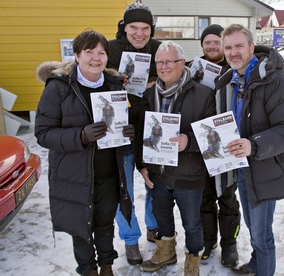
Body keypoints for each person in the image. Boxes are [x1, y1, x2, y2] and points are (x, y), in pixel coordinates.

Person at [34, 30, 134, 276]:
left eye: (101, 52)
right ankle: (88, 270)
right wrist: (80, 136)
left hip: (109, 173)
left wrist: (127, 130)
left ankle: (107, 266)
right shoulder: (59, 87)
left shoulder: (114, 84)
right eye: (89, 52)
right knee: (81, 226)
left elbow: (119, 124)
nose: (96, 58)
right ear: (77, 55)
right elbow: (43, 133)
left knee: (105, 222)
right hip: (74, 175)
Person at [216, 24, 284, 276]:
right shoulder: (230, 80)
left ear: (252, 47)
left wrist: (253, 145)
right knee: (253, 227)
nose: (234, 52)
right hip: (243, 167)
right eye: (228, 47)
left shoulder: (276, 80)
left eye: (239, 46)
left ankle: (262, 268)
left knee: (262, 235)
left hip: (267, 169)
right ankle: (255, 265)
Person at [136, 41, 215, 276]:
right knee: (162, 218)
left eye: (169, 61)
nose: (164, 66)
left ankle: (192, 259)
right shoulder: (149, 94)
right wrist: (142, 165)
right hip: (158, 173)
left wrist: (188, 141)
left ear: (182, 63)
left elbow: (214, 136)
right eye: (160, 62)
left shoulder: (203, 94)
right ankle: (167, 252)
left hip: (188, 175)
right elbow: (141, 132)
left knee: (192, 223)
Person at [106, 2, 161, 265]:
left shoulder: (160, 49)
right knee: (123, 188)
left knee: (156, 184)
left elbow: (178, 73)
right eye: (133, 27)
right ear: (124, 27)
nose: (139, 33)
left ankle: (154, 226)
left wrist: (157, 83)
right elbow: (91, 75)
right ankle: (130, 239)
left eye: (145, 28)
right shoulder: (109, 49)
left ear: (152, 29)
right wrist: (113, 78)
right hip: (122, 132)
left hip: (152, 129)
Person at [192, 23, 241, 267]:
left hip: (227, 142)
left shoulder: (235, 68)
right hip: (200, 143)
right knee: (204, 196)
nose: (212, 46)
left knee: (227, 195)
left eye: (216, 42)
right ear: (202, 45)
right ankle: (208, 240)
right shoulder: (193, 69)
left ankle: (229, 244)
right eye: (207, 42)